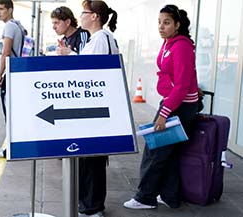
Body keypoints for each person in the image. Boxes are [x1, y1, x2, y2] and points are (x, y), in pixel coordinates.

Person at [123, 4, 199, 210]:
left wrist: (164, 113)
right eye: (159, 22)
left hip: (178, 106)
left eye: (166, 22)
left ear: (177, 25)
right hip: (173, 102)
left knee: (154, 150)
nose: (161, 26)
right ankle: (169, 196)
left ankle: (144, 197)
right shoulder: (169, 43)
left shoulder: (181, 46)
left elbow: (183, 85)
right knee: (169, 153)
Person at [56, 1, 118, 216]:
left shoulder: (100, 39)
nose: (80, 16)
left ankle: (92, 207)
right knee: (92, 160)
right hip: (98, 108)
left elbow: (90, 73)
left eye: (84, 12)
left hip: (94, 110)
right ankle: (90, 205)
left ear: (94, 16)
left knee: (91, 161)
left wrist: (69, 55)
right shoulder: (103, 38)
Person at [0, 0, 26, 158]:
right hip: (18, 73)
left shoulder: (9, 27)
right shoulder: (19, 26)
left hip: (10, 74)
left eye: (2, 9)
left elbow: (6, 53)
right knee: (15, 113)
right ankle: (15, 146)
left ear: (10, 10)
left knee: (9, 114)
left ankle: (10, 149)